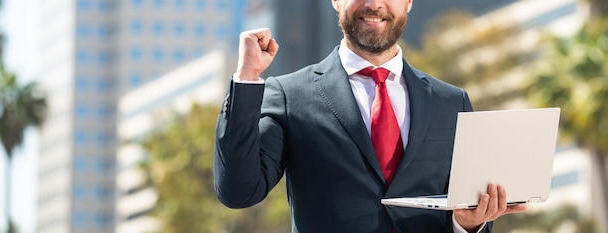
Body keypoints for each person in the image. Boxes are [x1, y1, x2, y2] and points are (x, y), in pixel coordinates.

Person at [214, 0, 527, 232]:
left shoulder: (451, 101)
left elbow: (463, 208)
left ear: (408, 2)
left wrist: (468, 224)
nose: (375, 4)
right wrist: (246, 79)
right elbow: (238, 191)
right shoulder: (289, 94)